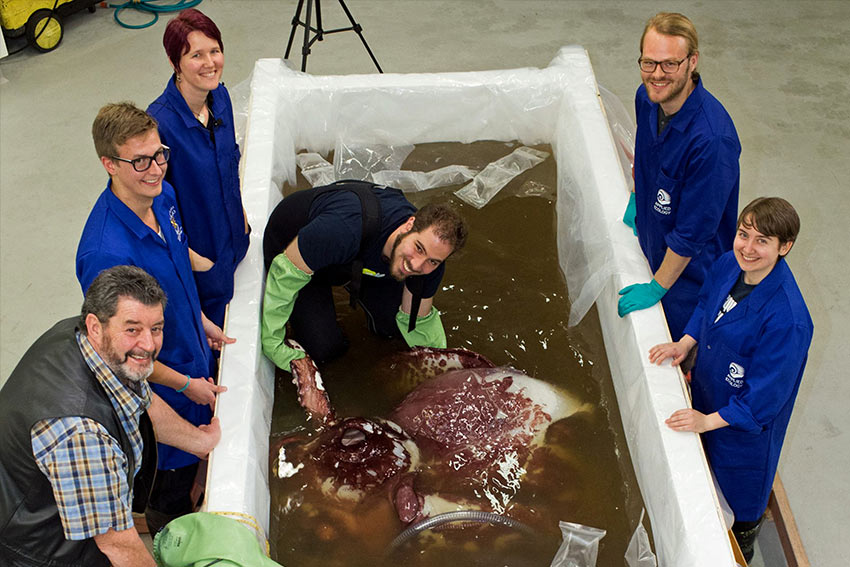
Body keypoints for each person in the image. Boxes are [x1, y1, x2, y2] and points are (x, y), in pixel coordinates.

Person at [76, 102, 234, 533]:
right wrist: (185, 383)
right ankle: (167, 532)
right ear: (109, 163)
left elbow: (176, 267)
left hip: (193, 360)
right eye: (140, 160)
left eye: (160, 153)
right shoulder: (106, 253)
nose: (155, 168)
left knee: (198, 467)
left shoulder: (162, 196)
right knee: (170, 482)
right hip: (162, 390)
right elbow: (119, 357)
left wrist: (199, 321)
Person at [0, 265, 221, 567]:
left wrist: (200, 442)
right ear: (95, 325)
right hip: (41, 552)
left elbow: (141, 399)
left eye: (156, 328)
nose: (148, 345)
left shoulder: (88, 339)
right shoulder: (81, 434)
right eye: (132, 329)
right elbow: (119, 545)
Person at [648, 197, 813, 561]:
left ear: (785, 247)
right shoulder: (727, 264)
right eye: (743, 234)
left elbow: (761, 403)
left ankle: (745, 548)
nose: (747, 248)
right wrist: (685, 342)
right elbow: (707, 304)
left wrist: (707, 421)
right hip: (708, 397)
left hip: (743, 442)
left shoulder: (788, 320)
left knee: (735, 521)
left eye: (762, 241)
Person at [619, 12, 741, 341]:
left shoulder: (712, 142)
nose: (657, 75)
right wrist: (637, 195)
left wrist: (657, 286)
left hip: (689, 280)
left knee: (682, 359)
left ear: (692, 61)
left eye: (669, 64)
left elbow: (692, 235)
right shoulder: (646, 99)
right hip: (652, 242)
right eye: (649, 63)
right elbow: (644, 154)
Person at [261, 180, 467, 371]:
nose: (416, 264)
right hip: (294, 252)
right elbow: (284, 278)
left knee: (392, 329)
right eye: (419, 248)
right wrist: (273, 343)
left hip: (356, 259)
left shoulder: (429, 262)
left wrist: (440, 366)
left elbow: (417, 320)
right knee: (325, 350)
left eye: (433, 261)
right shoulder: (342, 229)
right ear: (409, 224)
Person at [148, 8, 250, 328]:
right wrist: (194, 260)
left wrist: (242, 216)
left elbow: (229, 162)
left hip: (236, 237)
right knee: (217, 337)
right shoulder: (159, 125)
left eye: (215, 51)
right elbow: (152, 205)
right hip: (203, 258)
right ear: (174, 63)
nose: (210, 63)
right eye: (196, 55)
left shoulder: (220, 97)